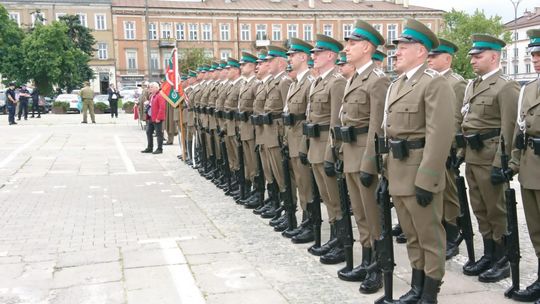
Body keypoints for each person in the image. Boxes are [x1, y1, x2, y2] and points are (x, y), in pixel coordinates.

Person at [384, 18, 454, 302]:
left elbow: (440, 136)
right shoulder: (397, 85)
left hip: (419, 173)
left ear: (421, 51)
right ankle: (416, 285)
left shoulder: (433, 85)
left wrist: (428, 178)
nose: (396, 51)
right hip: (398, 170)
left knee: (429, 235)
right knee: (412, 235)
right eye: (397, 46)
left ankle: (430, 292)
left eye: (403, 46)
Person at [460, 34, 520, 283]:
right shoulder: (472, 85)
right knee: (480, 208)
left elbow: (509, 128)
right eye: (472, 56)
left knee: (497, 210)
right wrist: (461, 154)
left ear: (494, 57)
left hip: (491, 156)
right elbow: (466, 123)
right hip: (473, 157)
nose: (473, 60)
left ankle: (504, 258)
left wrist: (502, 163)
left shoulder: (506, 87)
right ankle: (489, 253)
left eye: (478, 56)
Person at [338, 20, 389, 294]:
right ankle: (366, 260)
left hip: (364, 157)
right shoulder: (355, 78)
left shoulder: (377, 80)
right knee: (359, 214)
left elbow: (375, 127)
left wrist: (370, 163)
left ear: (367, 47)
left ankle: (378, 268)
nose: (347, 48)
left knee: (372, 216)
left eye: (352, 43)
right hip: (350, 153)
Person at [306, 34, 347, 264]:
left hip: (326, 147)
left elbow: (335, 122)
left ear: (330, 55)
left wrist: (332, 153)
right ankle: (334, 236)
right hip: (315, 145)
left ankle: (342, 241)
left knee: (335, 198)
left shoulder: (337, 81)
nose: (314, 56)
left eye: (318, 53)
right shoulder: (319, 81)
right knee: (326, 197)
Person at [427, 38, 467, 259]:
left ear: (447, 58)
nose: (430, 60)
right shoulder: (430, 81)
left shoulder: (456, 83)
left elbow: (456, 119)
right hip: (432, 147)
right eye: (429, 56)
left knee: (449, 194)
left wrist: (454, 149)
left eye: (434, 56)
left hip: (448, 148)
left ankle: (452, 235)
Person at [508, 28, 540, 303]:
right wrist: (513, 163)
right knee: (536, 229)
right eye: (534, 53)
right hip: (531, 168)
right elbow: (521, 131)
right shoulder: (528, 89)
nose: (536, 58)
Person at [282, 38, 316, 242]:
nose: (289, 58)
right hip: (292, 140)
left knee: (306, 186)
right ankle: (305, 221)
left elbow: (309, 116)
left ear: (303, 57)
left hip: (302, 142)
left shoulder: (309, 82)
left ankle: (310, 223)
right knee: (301, 185)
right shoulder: (296, 83)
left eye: (292, 55)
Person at [141, 82, 166, 154]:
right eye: (149, 87)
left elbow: (162, 107)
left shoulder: (160, 95)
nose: (150, 88)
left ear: (156, 88)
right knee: (148, 132)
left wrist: (159, 118)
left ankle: (159, 148)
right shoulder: (152, 95)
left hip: (157, 118)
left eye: (151, 87)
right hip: (151, 117)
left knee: (159, 134)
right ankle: (150, 147)